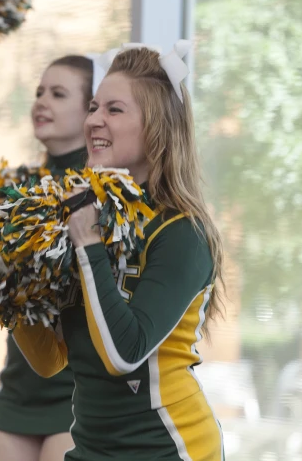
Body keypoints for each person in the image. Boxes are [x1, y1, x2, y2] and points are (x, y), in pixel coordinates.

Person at [12, 43, 226, 460]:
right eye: (93, 107)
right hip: (92, 448)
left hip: (167, 448)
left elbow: (124, 355)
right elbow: (50, 360)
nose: (94, 120)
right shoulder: (91, 219)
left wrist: (88, 243)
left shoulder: (183, 232)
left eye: (114, 109)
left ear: (157, 127)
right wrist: (11, 286)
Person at [0, 55, 99, 461]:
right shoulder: (16, 190)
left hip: (77, 388)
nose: (41, 101)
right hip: (19, 385)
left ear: (91, 110)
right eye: (39, 92)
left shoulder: (102, 188)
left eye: (58, 94)